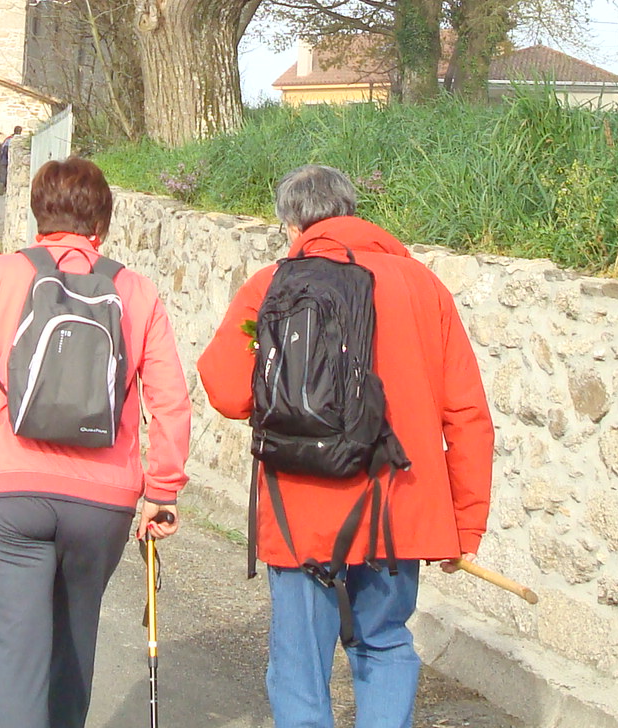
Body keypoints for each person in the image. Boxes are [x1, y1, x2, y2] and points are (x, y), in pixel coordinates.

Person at [196, 165, 494, 728]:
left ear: (292, 223)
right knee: (383, 642)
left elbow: (227, 391)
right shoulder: (424, 286)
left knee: (299, 663)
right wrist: (466, 525)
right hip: (397, 509)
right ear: (352, 210)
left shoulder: (274, 284)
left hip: (301, 507)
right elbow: (468, 415)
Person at [0, 157, 192, 728]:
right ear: (104, 219)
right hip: (102, 502)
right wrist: (162, 489)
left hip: (7, 490)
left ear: (37, 212)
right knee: (72, 652)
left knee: (13, 665)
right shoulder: (136, 291)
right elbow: (170, 400)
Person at [0, 125, 22, 193]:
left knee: (4, 174)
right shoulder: (14, 140)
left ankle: (3, 188)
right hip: (7, 159)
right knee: (7, 175)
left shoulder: (8, 139)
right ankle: (4, 189)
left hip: (3, 160)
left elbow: (2, 149)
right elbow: (6, 149)